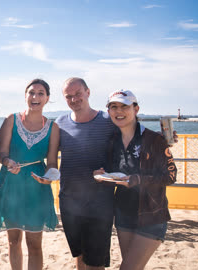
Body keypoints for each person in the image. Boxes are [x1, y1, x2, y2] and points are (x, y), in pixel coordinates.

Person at [93, 90, 177, 270]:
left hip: (151, 214)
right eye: (113, 107)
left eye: (124, 106)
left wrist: (137, 179)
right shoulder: (112, 141)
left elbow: (170, 176)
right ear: (108, 112)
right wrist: (101, 174)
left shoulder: (154, 139)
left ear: (136, 109)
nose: (119, 111)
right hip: (123, 213)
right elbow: (112, 171)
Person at [0, 79, 59, 270]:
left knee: (35, 244)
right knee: (14, 241)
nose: (35, 97)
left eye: (41, 93)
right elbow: (1, 153)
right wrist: (8, 161)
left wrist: (49, 176)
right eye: (31, 92)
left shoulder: (53, 128)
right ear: (25, 96)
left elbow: (52, 162)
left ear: (47, 98)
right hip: (12, 185)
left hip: (37, 188)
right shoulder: (11, 119)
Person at [56, 77, 119, 269]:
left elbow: (132, 140)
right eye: (69, 96)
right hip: (69, 200)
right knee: (80, 254)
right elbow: (46, 152)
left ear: (88, 92)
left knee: (96, 260)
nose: (74, 99)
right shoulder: (60, 123)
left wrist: (161, 138)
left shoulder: (108, 121)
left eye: (78, 94)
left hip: (100, 201)